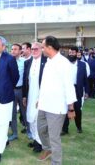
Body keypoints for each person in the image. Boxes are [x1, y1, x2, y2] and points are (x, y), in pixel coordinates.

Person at [37, 36, 76, 165]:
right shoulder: (49, 61)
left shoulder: (63, 63)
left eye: (43, 47)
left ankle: (56, 162)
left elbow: (69, 87)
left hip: (56, 108)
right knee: (41, 130)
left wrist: (71, 108)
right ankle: (47, 150)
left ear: (49, 47)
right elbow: (46, 84)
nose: (41, 49)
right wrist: (40, 99)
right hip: (44, 105)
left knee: (54, 138)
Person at [22, 42, 47, 153]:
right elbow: (24, 81)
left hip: (41, 96)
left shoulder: (46, 62)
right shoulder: (28, 62)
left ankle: (39, 142)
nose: (34, 51)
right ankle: (34, 138)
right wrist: (24, 96)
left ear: (42, 49)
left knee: (38, 119)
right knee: (30, 118)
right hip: (30, 95)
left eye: (36, 49)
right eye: (32, 49)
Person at [62, 46, 89, 135]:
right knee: (65, 109)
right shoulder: (64, 64)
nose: (71, 54)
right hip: (66, 89)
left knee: (77, 109)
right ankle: (65, 129)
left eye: (73, 52)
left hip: (77, 89)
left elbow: (85, 79)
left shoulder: (82, 64)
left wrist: (87, 92)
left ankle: (79, 127)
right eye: (70, 52)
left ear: (77, 53)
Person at [9, 43, 31, 141]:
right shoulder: (7, 62)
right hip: (10, 91)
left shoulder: (24, 62)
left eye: (15, 49)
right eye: (12, 49)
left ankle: (29, 131)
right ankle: (14, 133)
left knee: (25, 112)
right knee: (12, 113)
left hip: (22, 90)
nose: (13, 51)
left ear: (20, 51)